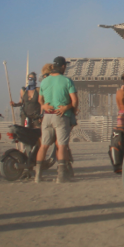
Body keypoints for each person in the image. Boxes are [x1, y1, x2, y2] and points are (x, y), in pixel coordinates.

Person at [37, 56, 78, 184]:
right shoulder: (67, 81)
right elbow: (75, 101)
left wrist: (43, 106)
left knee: (44, 146)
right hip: (61, 116)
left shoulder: (44, 81)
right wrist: (69, 108)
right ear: (63, 67)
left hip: (47, 116)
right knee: (62, 146)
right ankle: (61, 176)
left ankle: (37, 175)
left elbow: (40, 100)